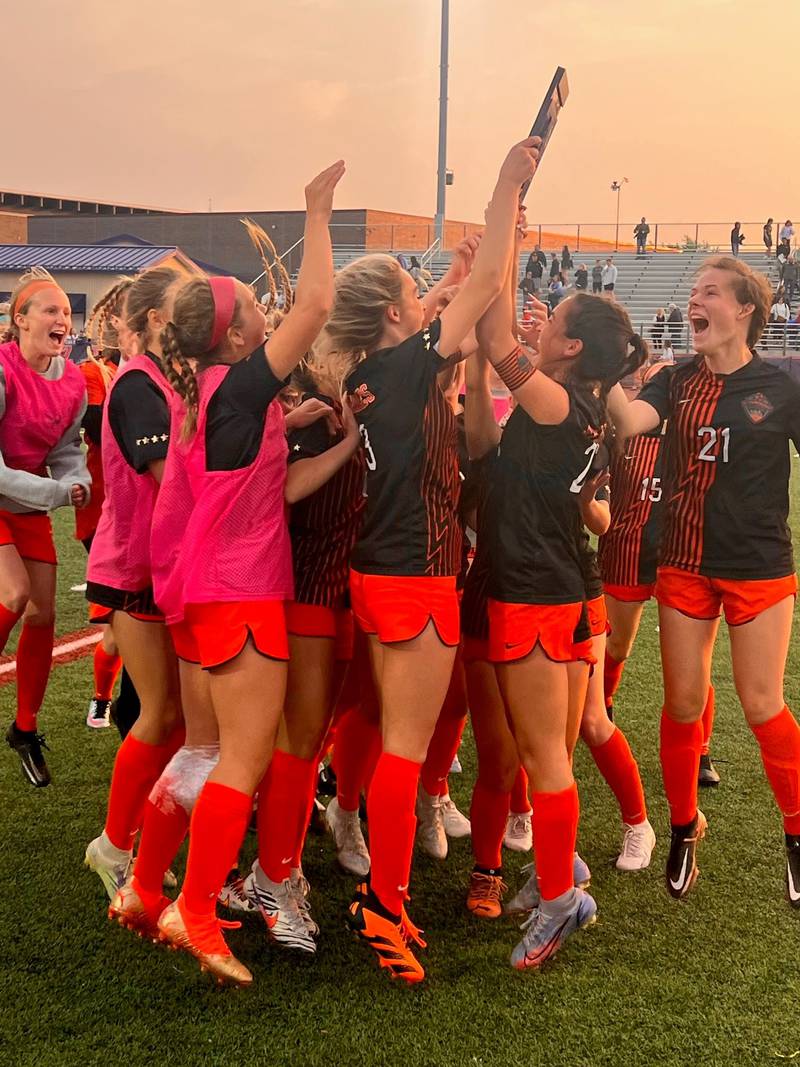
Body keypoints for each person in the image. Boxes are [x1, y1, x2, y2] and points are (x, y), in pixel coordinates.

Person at [328, 137, 540, 985]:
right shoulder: (409, 364)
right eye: (415, 293)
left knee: (397, 740)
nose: (427, 298)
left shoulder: (374, 370)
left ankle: (386, 894)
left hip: (382, 568)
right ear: (391, 314)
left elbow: (467, 289)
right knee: (408, 749)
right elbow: (484, 291)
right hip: (415, 569)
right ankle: (383, 904)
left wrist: (484, 250)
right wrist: (500, 194)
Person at [149, 161, 345, 988]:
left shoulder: (216, 393)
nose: (272, 320)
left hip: (204, 591)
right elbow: (319, 305)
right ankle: (195, 908)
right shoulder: (240, 384)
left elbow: (272, 487)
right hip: (239, 594)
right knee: (245, 758)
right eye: (258, 314)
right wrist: (316, 209)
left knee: (201, 750)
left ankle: (141, 886)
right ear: (232, 337)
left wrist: (337, 441)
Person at [608, 256, 800, 906]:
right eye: (693, 292)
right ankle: (686, 823)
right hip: (684, 561)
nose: (695, 301)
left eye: (710, 292)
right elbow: (628, 421)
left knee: (761, 703)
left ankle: (797, 834)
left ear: (743, 309)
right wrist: (604, 373)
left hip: (758, 564)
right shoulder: (676, 379)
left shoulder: (779, 386)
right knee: (683, 703)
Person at [476, 262, 646, 969]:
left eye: (555, 321)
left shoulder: (553, 403)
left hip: (539, 592)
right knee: (553, 748)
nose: (539, 328)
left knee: (543, 755)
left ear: (572, 347)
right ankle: (561, 871)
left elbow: (491, 333)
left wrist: (504, 216)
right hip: (565, 589)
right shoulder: (577, 403)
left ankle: (559, 900)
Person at [83, 267, 188, 898]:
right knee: (161, 715)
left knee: (175, 720)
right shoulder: (137, 386)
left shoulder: (163, 381)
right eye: (183, 309)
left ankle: (130, 841)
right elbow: (171, 476)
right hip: (134, 570)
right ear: (154, 320)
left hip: (161, 568)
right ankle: (113, 846)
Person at [1, 269, 91, 787]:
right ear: (20, 320)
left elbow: (66, 451)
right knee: (13, 594)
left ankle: (25, 728)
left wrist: (75, 480)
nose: (64, 319)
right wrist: (57, 492)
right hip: (7, 494)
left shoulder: (73, 380)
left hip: (27, 501)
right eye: (51, 310)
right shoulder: (1, 368)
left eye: (66, 311)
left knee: (43, 614)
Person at [79, 281, 133, 728]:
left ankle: (111, 700)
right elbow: (95, 425)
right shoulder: (99, 373)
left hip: (138, 525)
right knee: (121, 630)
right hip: (107, 517)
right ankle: (103, 698)